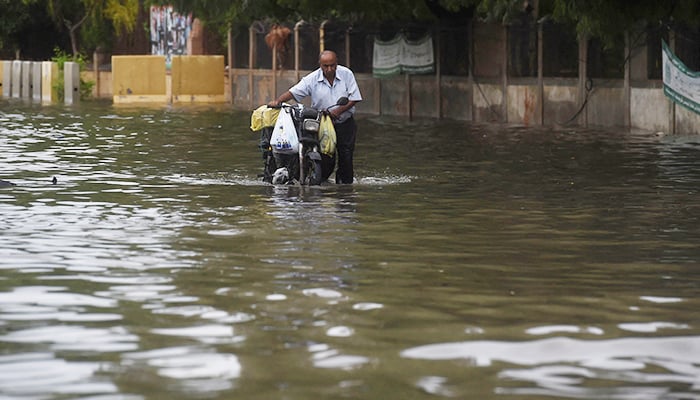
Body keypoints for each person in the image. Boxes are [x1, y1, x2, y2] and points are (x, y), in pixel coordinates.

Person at [268, 50, 362, 184]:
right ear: (320, 65)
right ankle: (320, 184)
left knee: (346, 158)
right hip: (322, 124)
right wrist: (278, 101)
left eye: (332, 65)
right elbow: (294, 92)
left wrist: (337, 111)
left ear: (337, 63)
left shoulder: (347, 74)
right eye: (325, 66)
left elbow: (354, 98)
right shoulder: (312, 79)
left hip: (344, 123)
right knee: (326, 158)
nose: (329, 69)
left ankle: (345, 191)